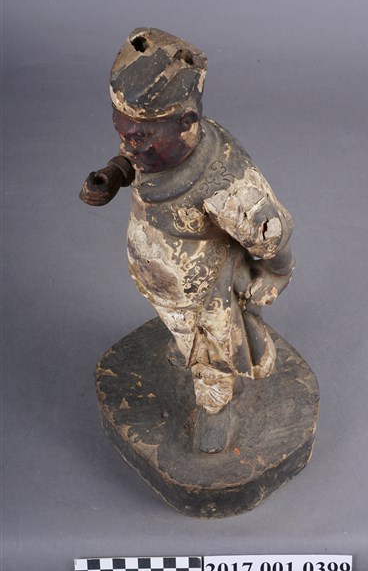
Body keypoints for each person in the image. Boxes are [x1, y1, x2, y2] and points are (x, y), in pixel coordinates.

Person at [80, 28, 295, 452]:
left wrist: (276, 274)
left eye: (140, 137)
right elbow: (132, 159)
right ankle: (182, 340)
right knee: (182, 332)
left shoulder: (225, 183)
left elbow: (272, 233)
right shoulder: (153, 150)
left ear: (186, 122)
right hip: (161, 286)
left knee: (212, 355)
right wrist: (115, 173)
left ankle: (215, 407)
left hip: (204, 296)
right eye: (122, 132)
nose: (129, 146)